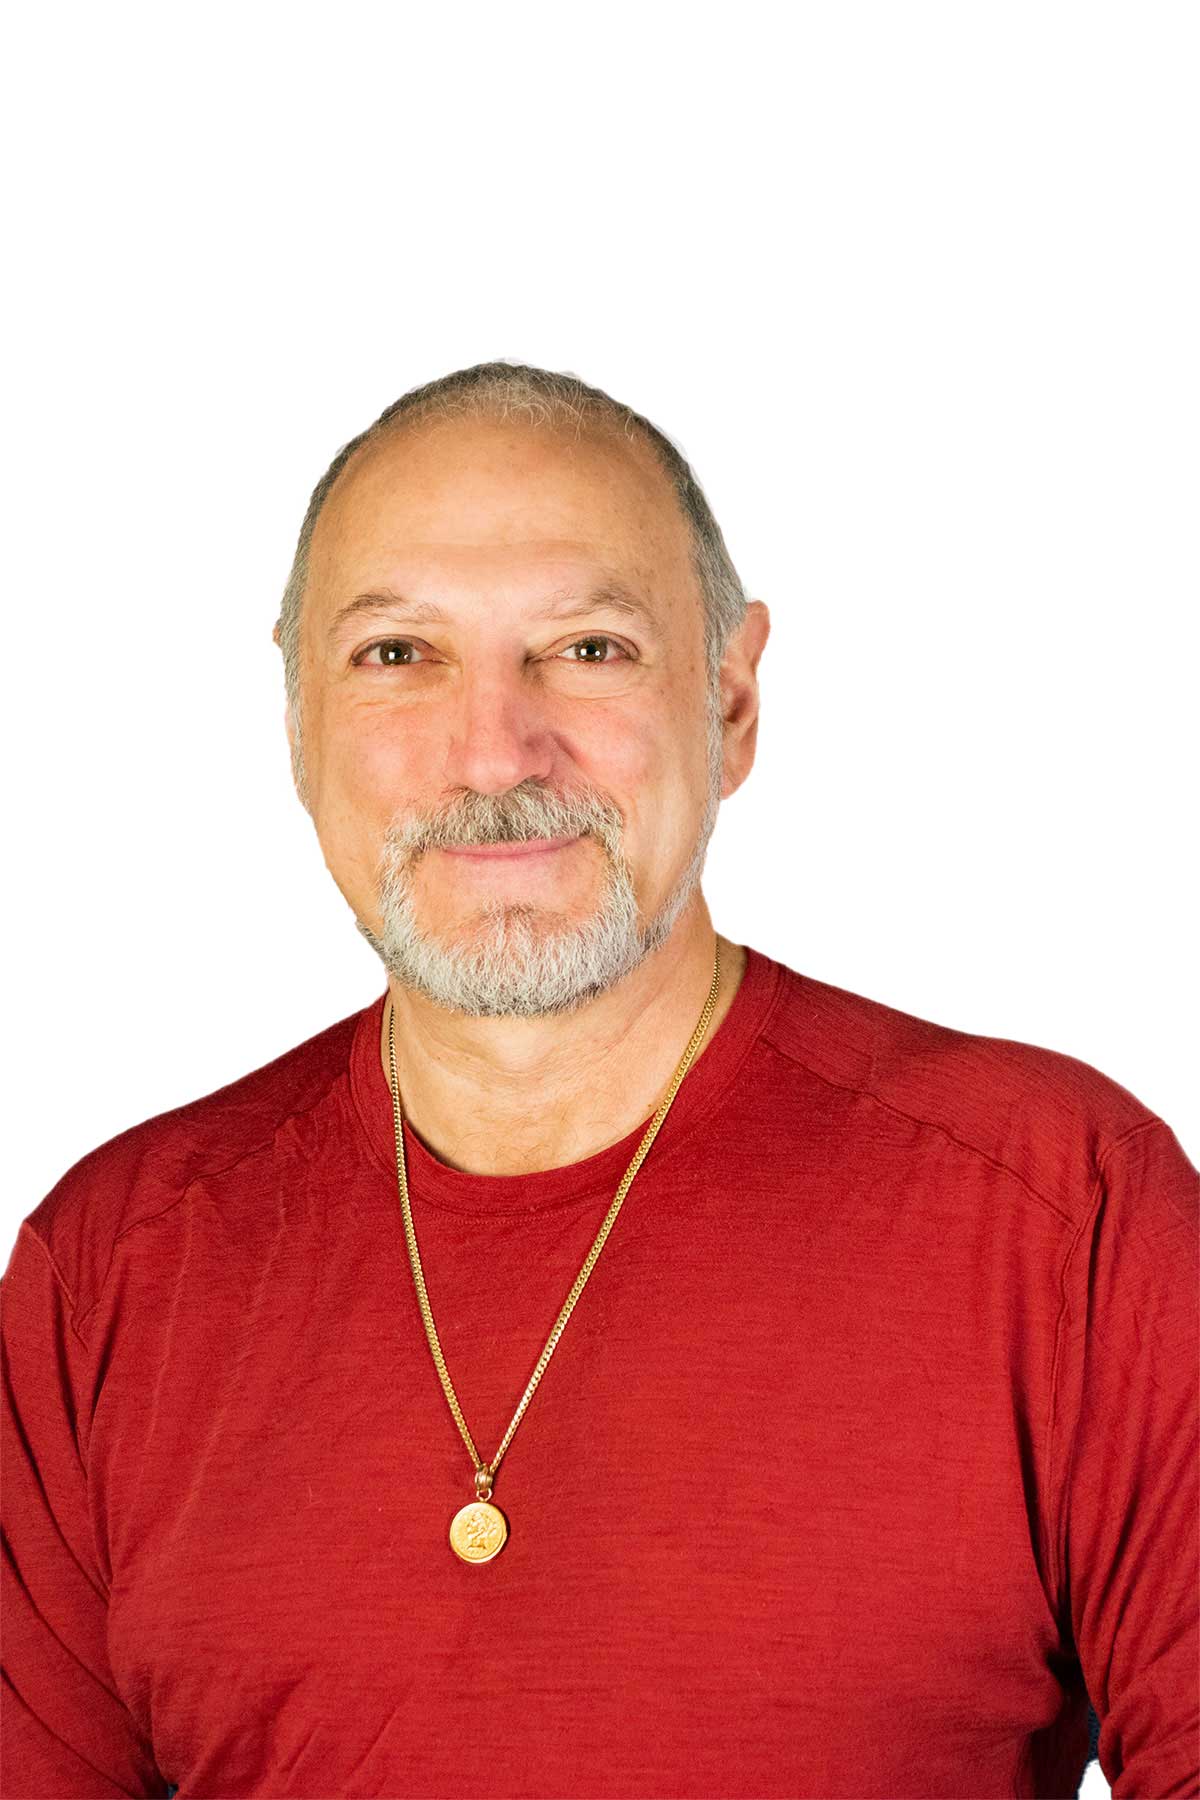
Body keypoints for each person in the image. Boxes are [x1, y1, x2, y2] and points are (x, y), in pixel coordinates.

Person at [2, 360, 1195, 1800]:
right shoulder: (111, 1272)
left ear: (735, 700)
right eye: (398, 654)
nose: (495, 750)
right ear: (296, 718)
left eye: (587, 648)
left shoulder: (1061, 1212)